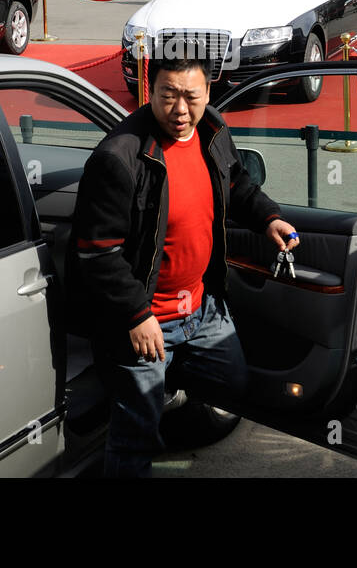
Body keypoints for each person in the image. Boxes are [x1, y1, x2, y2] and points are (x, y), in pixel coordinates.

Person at [72, 53, 300, 478]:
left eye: (190, 96)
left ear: (208, 92)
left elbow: (237, 184)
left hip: (201, 307)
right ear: (150, 93)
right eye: (168, 96)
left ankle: (166, 409)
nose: (180, 109)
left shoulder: (212, 129)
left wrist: (269, 217)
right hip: (144, 322)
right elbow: (97, 253)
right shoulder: (119, 158)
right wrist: (136, 315)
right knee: (133, 436)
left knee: (231, 387)